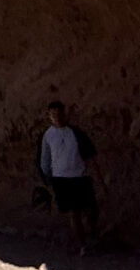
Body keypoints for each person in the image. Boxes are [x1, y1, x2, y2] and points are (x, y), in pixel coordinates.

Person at [37, 101, 100, 254]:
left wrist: (98, 176)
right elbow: (45, 158)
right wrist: (47, 178)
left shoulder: (76, 133)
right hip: (61, 179)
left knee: (91, 209)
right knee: (74, 212)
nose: (57, 117)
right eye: (53, 114)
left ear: (65, 114)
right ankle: (82, 245)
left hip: (80, 176)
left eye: (59, 113)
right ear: (49, 116)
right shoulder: (48, 135)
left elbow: (90, 155)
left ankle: (93, 235)